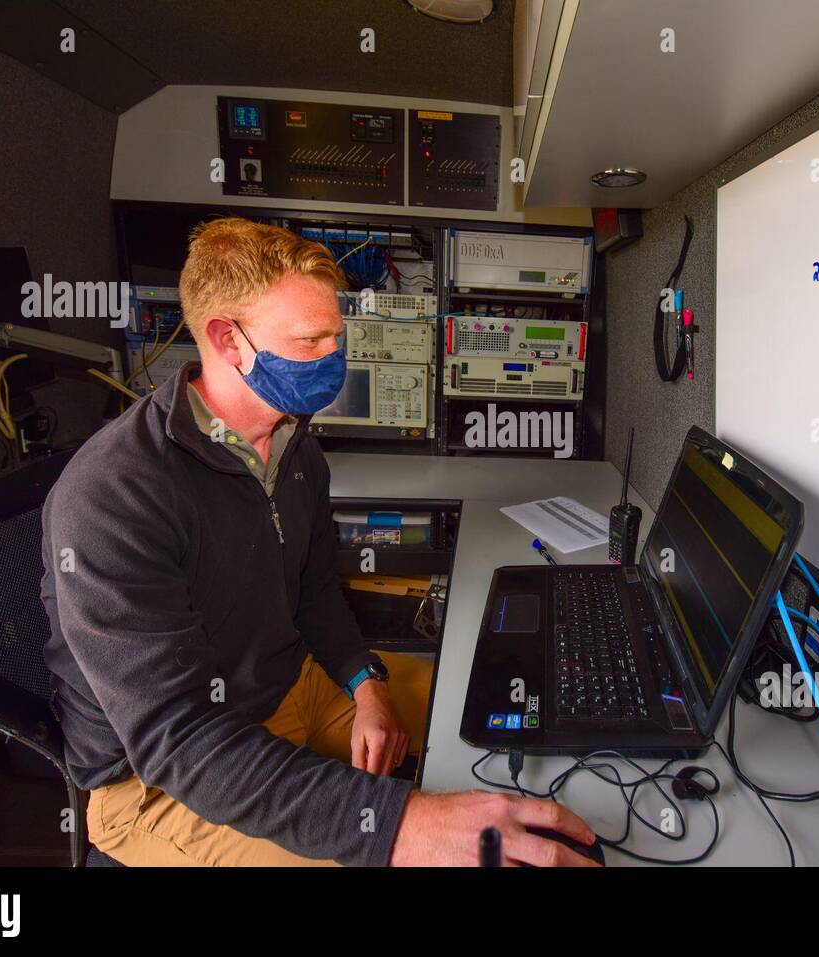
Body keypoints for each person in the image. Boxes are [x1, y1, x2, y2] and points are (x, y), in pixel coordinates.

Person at [40, 216, 597, 866]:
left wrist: (366, 684)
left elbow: (312, 591)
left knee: (499, 695)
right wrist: (399, 826)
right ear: (228, 340)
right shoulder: (113, 493)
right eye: (311, 341)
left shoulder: (297, 448)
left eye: (338, 335)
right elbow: (180, 738)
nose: (335, 358)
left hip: (291, 684)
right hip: (159, 778)